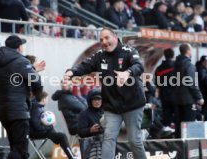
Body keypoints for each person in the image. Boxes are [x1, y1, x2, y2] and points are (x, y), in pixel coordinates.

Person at [63, 27, 147, 159]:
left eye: (107, 38)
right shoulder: (99, 55)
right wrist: (71, 72)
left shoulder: (129, 51)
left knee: (134, 140)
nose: (104, 42)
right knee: (108, 137)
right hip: (112, 106)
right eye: (101, 39)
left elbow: (139, 66)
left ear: (115, 37)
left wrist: (127, 73)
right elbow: (84, 66)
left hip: (133, 104)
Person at [0, 35, 43, 159]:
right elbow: (36, 82)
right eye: (22, 45)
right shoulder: (21, 61)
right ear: (19, 47)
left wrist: (32, 69)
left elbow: (18, 76)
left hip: (4, 112)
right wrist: (38, 95)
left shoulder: (2, 62)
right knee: (21, 152)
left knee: (15, 148)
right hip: (18, 112)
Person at [29, 91, 76, 159]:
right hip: (34, 133)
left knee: (60, 136)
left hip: (38, 131)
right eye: (47, 99)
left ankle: (59, 141)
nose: (47, 101)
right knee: (62, 136)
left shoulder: (37, 107)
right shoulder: (35, 109)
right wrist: (50, 125)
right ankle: (72, 157)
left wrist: (49, 126)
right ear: (44, 99)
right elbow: (37, 127)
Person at [173, 43, 204, 138]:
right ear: (188, 51)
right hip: (189, 100)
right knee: (189, 125)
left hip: (178, 99)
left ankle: (178, 147)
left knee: (179, 126)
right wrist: (199, 97)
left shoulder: (175, 65)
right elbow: (192, 83)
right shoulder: (189, 65)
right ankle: (188, 149)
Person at [155, 48, 175, 127]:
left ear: (165, 56)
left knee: (166, 116)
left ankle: (167, 132)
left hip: (164, 96)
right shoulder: (177, 66)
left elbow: (157, 83)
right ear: (173, 56)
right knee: (176, 116)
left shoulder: (159, 68)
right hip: (176, 96)